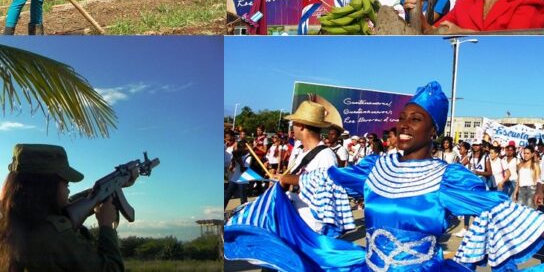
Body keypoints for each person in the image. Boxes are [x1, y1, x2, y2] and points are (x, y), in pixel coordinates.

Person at [224, 82, 544, 271]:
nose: (404, 124)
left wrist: (465, 257)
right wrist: (286, 181)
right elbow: (332, 178)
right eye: (402, 118)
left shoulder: (449, 178)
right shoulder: (376, 166)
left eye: (416, 119)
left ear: (434, 130)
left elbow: (497, 208)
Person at [0, 144, 125, 271]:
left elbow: (65, 207)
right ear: (47, 188)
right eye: (66, 185)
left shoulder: (15, 225)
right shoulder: (54, 236)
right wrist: (107, 225)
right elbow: (112, 268)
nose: (68, 191)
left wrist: (105, 189)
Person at [283, 100, 339, 234]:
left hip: (311, 228)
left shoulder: (326, 156)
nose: (292, 128)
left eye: (294, 124)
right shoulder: (303, 153)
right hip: (296, 221)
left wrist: (288, 179)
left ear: (301, 126)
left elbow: (327, 189)